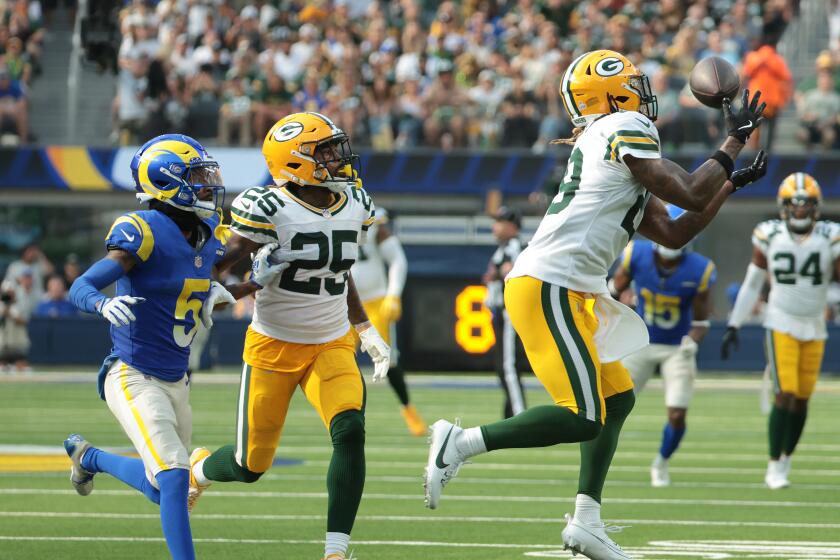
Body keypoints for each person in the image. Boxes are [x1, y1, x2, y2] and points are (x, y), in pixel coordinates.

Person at [423, 49, 767, 560]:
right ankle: (461, 442)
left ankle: (587, 521)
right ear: (610, 95)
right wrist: (733, 141)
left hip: (571, 288)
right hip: (551, 284)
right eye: (631, 83)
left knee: (617, 400)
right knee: (583, 416)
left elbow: (674, 231)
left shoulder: (608, 142)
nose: (642, 92)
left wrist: (728, 183)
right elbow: (691, 192)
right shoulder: (623, 125)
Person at [188, 112, 391, 560]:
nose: (338, 159)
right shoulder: (268, 206)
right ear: (296, 162)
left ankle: (336, 550)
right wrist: (228, 292)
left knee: (351, 430)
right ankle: (198, 470)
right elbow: (212, 272)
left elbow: (341, 271)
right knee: (250, 465)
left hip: (332, 341)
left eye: (337, 148)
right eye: (326, 151)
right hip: (274, 344)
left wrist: (364, 328)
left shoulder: (355, 201)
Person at [63, 134, 235, 560]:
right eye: (197, 176)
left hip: (178, 378)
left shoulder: (207, 232)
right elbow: (81, 285)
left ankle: (90, 457)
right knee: (176, 476)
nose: (208, 183)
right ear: (166, 180)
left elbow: (211, 267)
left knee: (166, 490)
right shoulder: (143, 230)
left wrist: (221, 286)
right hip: (133, 373)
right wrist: (101, 303)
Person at [722, 173, 840, 490]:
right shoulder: (769, 234)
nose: (800, 210)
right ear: (784, 206)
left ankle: (786, 459)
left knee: (801, 399)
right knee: (784, 392)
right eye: (794, 204)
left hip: (815, 324)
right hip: (780, 320)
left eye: (806, 204)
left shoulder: (831, 236)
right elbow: (753, 281)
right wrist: (735, 322)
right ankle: (773, 464)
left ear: (816, 207)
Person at [612, 206, 717, 487]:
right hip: (640, 341)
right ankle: (602, 460)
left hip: (675, 347)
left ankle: (661, 462)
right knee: (613, 406)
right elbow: (611, 291)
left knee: (677, 412)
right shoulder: (637, 254)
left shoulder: (699, 269)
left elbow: (702, 321)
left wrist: (691, 342)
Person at [350, 205, 427, 436]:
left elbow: (397, 259)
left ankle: (408, 409)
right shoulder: (323, 215)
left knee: (388, 361)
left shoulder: (371, 217)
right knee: (339, 360)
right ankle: (345, 413)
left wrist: (393, 293)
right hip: (341, 301)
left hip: (374, 301)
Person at [483, 206, 527, 418]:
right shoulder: (503, 249)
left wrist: (501, 273)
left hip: (509, 311)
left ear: (511, 226)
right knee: (503, 367)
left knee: (508, 366)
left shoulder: (514, 247)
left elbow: (514, 272)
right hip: (500, 312)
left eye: (500, 222)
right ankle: (511, 410)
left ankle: (519, 414)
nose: (495, 227)